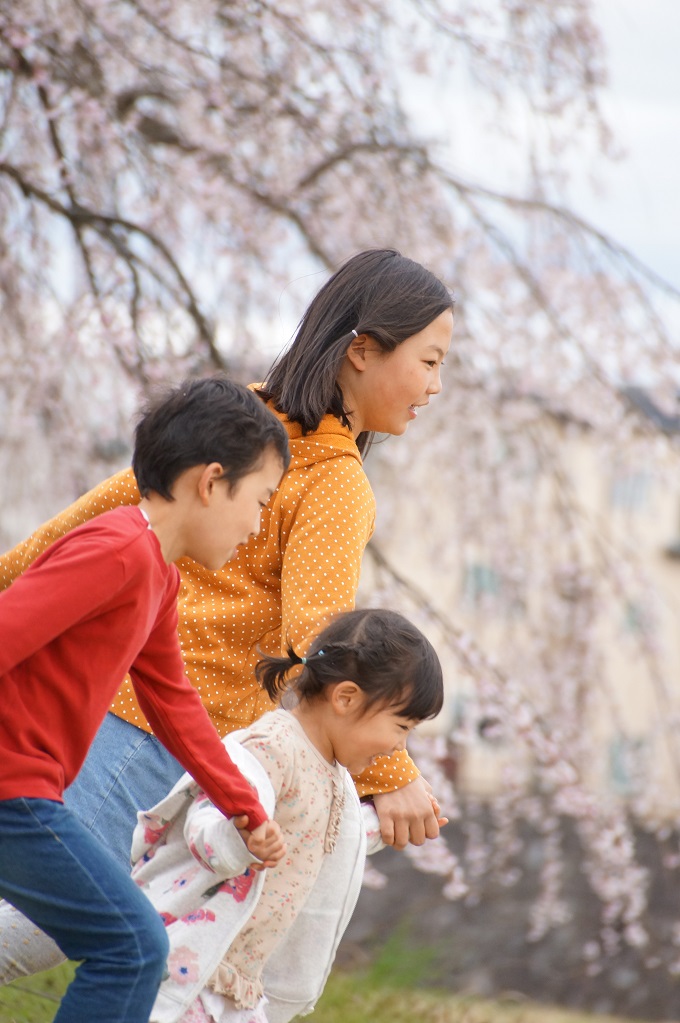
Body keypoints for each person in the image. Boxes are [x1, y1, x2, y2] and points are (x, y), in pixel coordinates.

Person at [0, 247, 454, 987]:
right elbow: (322, 634)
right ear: (364, 350)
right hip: (150, 742)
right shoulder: (335, 480)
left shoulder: (244, 417)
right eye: (430, 361)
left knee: (85, 924)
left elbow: (85, 517)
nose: (436, 386)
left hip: (133, 717)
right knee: (63, 928)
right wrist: (389, 768)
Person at [0, 376, 288, 1023]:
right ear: (212, 482)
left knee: (128, 942)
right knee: (130, 944)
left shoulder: (157, 573)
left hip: (23, 790)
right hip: (11, 786)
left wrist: (241, 805)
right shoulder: (119, 549)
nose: (258, 524)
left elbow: (174, 703)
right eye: (261, 500)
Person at [131, 608, 445, 1023]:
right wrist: (238, 838)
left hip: (239, 982)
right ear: (346, 697)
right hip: (192, 966)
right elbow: (206, 818)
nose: (398, 747)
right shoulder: (272, 748)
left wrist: (380, 829)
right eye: (401, 726)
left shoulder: (334, 773)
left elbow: (319, 832)